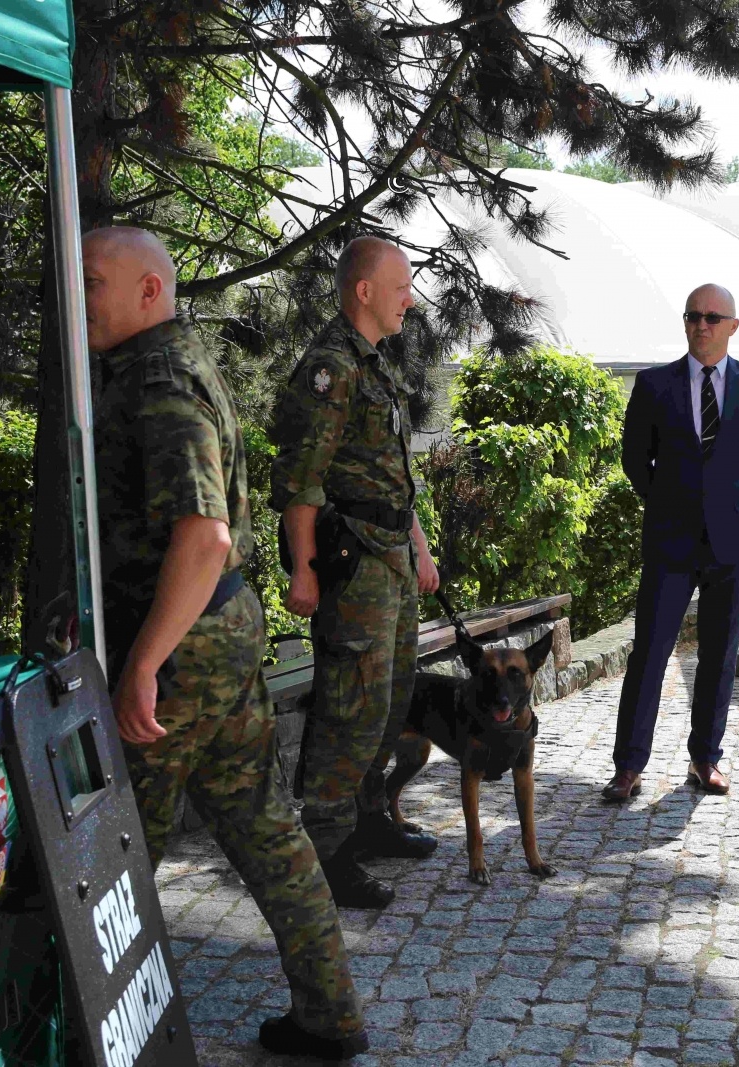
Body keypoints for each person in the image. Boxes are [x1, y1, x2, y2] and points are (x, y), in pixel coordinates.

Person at [84, 226, 367, 1059]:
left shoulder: (160, 376)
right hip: (219, 634)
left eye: (93, 281)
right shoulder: (160, 361)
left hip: (182, 647)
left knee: (112, 848)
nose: (78, 296)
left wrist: (141, 663)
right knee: (268, 831)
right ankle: (330, 1011)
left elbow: (204, 536)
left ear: (148, 290)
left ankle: (93, 1032)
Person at [269, 236, 443, 910]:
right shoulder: (330, 367)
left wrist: (422, 552)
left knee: (389, 699)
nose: (411, 298)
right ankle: (329, 850)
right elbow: (301, 481)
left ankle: (371, 820)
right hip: (354, 565)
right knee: (349, 708)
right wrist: (304, 571)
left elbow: (395, 481)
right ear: (363, 290)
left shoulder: (374, 365)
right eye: (400, 285)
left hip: (393, 557)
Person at [602, 284, 739, 801]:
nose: (700, 325)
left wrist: (732, 503)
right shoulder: (654, 384)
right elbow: (636, 460)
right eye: (692, 316)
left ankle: (706, 759)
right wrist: (670, 503)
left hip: (732, 542)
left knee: (718, 656)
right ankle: (628, 766)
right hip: (670, 542)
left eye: (711, 317)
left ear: (732, 325)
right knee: (650, 655)